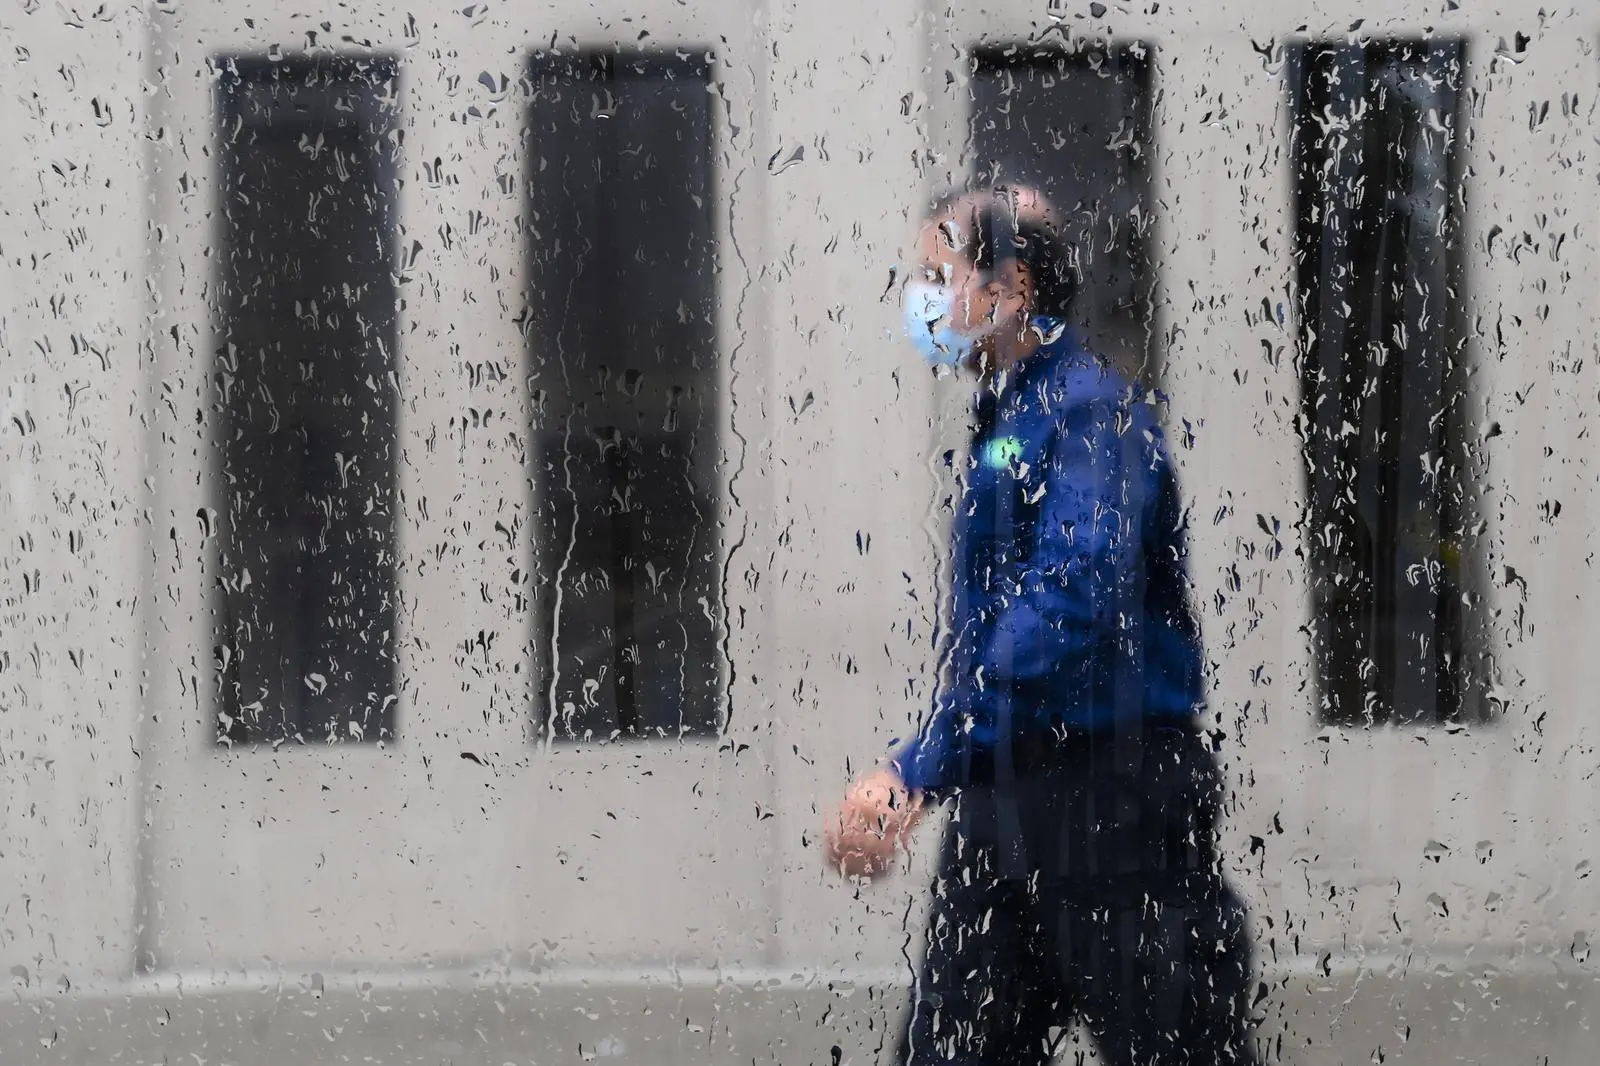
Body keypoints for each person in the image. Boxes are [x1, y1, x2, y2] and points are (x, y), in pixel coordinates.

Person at [823, 186, 1261, 1066]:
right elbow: (998, 628)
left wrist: (920, 765)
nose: (921, 300)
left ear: (1011, 287)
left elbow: (1071, 601)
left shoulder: (1093, 414)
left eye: (935, 274)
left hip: (1116, 799)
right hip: (1009, 796)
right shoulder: (1007, 422)